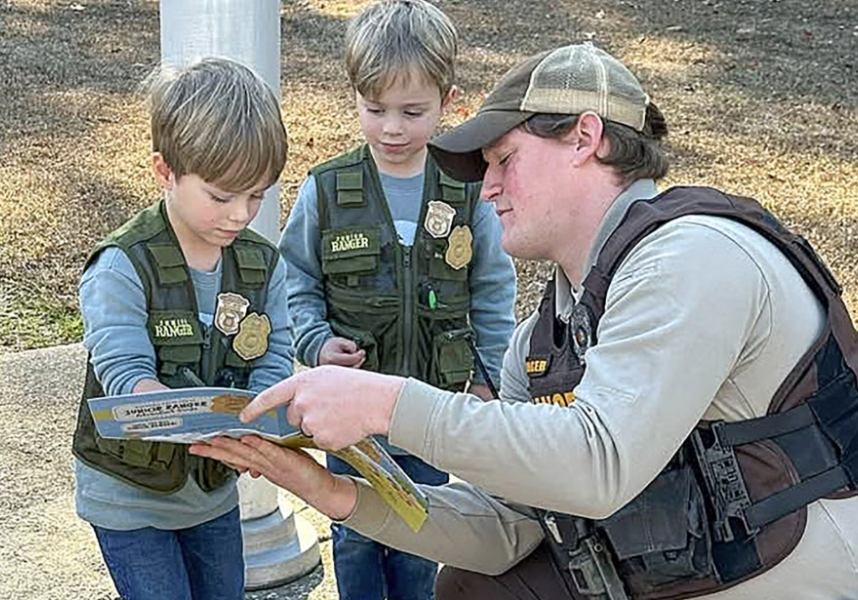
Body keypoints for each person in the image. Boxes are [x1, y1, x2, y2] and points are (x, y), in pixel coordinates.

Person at [191, 42, 858, 599]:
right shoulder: (545, 340)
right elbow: (505, 528)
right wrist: (337, 493)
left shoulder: (692, 257)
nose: (487, 189)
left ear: (584, 138)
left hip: (794, 575)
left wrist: (388, 403)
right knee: (473, 588)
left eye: (504, 160)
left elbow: (598, 465)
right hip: (691, 571)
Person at [278, 1, 516, 598]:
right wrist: (314, 342)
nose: (392, 128)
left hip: (432, 404)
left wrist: (491, 381)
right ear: (355, 96)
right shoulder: (328, 188)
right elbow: (292, 280)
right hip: (351, 410)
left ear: (448, 100)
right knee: (356, 529)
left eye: (413, 112)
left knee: (425, 522)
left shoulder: (467, 188)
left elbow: (492, 287)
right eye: (374, 109)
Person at [71, 57, 292, 600]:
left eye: (257, 194)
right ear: (164, 171)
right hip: (128, 496)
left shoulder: (265, 265)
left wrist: (264, 425)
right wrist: (174, 412)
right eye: (222, 195)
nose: (241, 214)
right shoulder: (123, 264)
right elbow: (125, 376)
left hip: (212, 493)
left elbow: (274, 357)